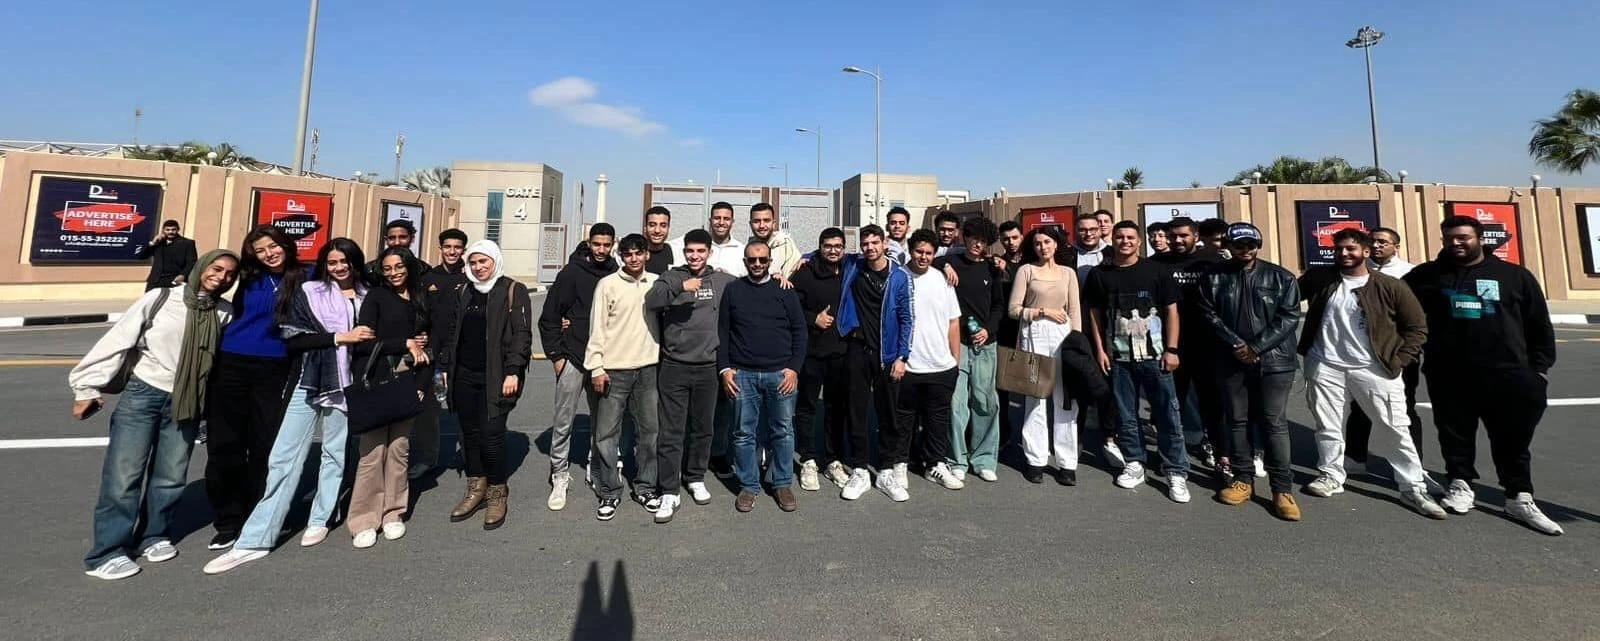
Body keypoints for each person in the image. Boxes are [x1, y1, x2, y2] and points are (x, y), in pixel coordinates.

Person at [202, 239, 371, 574]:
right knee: (283, 457)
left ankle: (322, 517)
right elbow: (294, 337)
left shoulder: (369, 295)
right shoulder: (310, 291)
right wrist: (339, 337)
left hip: (347, 384)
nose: (339, 268)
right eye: (333, 262)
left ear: (356, 263)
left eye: (345, 262)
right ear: (324, 264)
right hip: (309, 379)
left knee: (335, 453)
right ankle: (256, 538)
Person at [72, 249, 239, 580]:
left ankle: (153, 535)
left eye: (230, 274)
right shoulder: (161, 299)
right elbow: (118, 339)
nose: (222, 277)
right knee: (124, 477)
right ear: (202, 267)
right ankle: (107, 552)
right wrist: (86, 387)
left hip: (187, 401)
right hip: (144, 394)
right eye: (217, 268)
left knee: (171, 476)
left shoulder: (224, 312)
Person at [1405, 216, 1562, 535]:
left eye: (1463, 237)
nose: (1456, 243)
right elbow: (1394, 303)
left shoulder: (1514, 276)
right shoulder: (1428, 275)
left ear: (1480, 238)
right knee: (1454, 434)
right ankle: (1460, 484)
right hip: (1449, 373)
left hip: (1509, 374)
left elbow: (1538, 324)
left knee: (1512, 440)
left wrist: (1539, 370)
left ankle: (1519, 496)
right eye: (1449, 238)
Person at [1294, 229, 1446, 520]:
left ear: (1365, 252)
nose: (1344, 253)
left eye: (1351, 249)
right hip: (1325, 364)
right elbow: (1285, 298)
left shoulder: (1390, 286)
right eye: (1339, 249)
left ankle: (1412, 486)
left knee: (1394, 427)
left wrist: (1400, 360)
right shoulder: (1320, 278)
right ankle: (1331, 474)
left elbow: (1416, 328)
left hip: (1374, 368)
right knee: (1327, 425)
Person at [205, 225, 306, 551]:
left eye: (273, 246)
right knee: (226, 444)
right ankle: (228, 520)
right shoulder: (247, 276)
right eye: (260, 250)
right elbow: (210, 282)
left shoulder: (306, 276)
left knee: (266, 443)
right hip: (231, 362)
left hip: (275, 368)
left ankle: (261, 513)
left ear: (285, 244)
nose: (268, 254)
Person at [1199, 223, 1304, 521]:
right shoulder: (1213, 277)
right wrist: (1236, 344)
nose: (1245, 249)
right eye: (1238, 244)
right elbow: (1208, 314)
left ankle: (1282, 489)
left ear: (1258, 245)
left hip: (1275, 362)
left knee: (1274, 423)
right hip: (1229, 359)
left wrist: (1256, 347)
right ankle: (1242, 479)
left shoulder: (1281, 277)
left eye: (1250, 244)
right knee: (1237, 421)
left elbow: (1289, 316)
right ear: (1229, 246)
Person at [1083, 222, 1191, 503]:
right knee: (1126, 414)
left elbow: (1171, 311)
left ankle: (1175, 470)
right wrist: (1100, 350)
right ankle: (1134, 462)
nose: (1125, 241)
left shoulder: (1156, 271)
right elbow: (1095, 315)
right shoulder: (1100, 274)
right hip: (1119, 358)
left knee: (1168, 414)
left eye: (1130, 237)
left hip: (1156, 356)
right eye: (1119, 237)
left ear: (1139, 241)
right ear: (1112, 239)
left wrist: (1172, 349)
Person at [439, 240, 533, 529]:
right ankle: (476, 486)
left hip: (498, 375)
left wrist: (513, 371)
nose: (479, 267)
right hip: (464, 374)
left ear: (495, 261)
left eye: (484, 262)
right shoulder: (464, 291)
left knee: (491, 433)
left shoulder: (512, 290)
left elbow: (522, 334)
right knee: (469, 433)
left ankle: (496, 490)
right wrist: (446, 366)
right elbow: (453, 331)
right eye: (474, 262)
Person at [645, 229, 736, 521]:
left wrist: (782, 277)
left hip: (708, 367)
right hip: (674, 366)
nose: (695, 256)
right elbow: (652, 300)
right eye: (690, 251)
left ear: (709, 252)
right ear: (684, 252)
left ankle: (695, 476)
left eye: (700, 251)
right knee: (671, 431)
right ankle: (669, 489)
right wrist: (681, 286)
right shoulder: (672, 277)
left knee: (703, 428)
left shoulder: (721, 280)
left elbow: (748, 291)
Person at [346, 247, 431, 546]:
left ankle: (393, 512)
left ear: (409, 266)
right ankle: (364, 519)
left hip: (408, 380)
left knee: (399, 450)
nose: (394, 273)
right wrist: (404, 342)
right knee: (372, 453)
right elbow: (363, 343)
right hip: (378, 381)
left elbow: (427, 348)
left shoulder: (421, 298)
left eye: (399, 266)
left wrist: (422, 384)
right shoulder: (377, 297)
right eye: (387, 268)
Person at [718, 239, 808, 512]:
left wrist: (793, 369)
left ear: (770, 261)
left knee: (783, 431)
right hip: (743, 375)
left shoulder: (785, 291)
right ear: (745, 262)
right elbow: (723, 331)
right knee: (743, 433)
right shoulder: (734, 290)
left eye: (763, 260)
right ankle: (749, 485)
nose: (757, 264)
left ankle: (782, 483)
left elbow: (800, 331)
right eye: (752, 260)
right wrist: (725, 369)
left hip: (780, 375)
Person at [537, 224, 618, 510]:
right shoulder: (571, 273)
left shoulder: (616, 273)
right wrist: (557, 356)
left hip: (604, 361)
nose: (601, 250)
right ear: (589, 243)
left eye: (606, 245)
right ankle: (559, 474)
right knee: (563, 422)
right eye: (597, 244)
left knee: (603, 422)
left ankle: (596, 468)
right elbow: (549, 317)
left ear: (613, 244)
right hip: (572, 357)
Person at [585, 234, 662, 521]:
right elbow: (597, 327)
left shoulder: (656, 283)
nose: (634, 258)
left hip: (648, 368)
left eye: (638, 253)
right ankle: (609, 491)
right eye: (628, 254)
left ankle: (646, 487)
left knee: (650, 433)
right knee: (606, 435)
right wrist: (596, 367)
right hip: (613, 370)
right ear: (621, 256)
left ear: (646, 255)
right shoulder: (607, 284)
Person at [834, 225, 914, 501]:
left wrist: (902, 356)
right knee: (856, 411)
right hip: (857, 348)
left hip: (887, 353)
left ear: (884, 243)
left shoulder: (899, 276)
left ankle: (886, 470)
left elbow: (907, 318)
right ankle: (859, 469)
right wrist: (802, 259)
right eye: (865, 243)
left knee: (888, 413)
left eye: (874, 243)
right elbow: (823, 254)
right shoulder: (854, 266)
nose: (870, 248)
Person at [1007, 226, 1084, 485]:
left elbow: (1075, 311)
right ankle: (1035, 460)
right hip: (1034, 334)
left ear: (1056, 244)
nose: (1043, 247)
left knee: (1066, 400)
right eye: (1038, 243)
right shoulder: (1026, 271)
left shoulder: (1068, 273)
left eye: (1047, 242)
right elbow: (1014, 309)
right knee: (1035, 400)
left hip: (1063, 336)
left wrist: (1077, 343)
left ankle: (1067, 463)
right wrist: (1042, 312)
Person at [1152, 217, 1230, 471]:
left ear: (1196, 236)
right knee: (1170, 403)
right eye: (1173, 236)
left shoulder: (1214, 261)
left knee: (1215, 404)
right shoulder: (1156, 264)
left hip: (1210, 346)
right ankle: (1171, 455)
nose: (1177, 240)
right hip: (1171, 346)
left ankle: (1221, 455)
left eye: (1183, 235)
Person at [1344, 226, 1423, 476]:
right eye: (1373, 242)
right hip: (1362, 353)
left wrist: (1404, 356)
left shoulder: (1410, 273)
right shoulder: (1358, 271)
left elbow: (1416, 320)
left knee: (1403, 409)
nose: (1376, 246)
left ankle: (1414, 465)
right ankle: (1355, 457)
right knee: (1360, 407)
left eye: (1382, 242)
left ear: (1396, 246)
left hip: (1396, 353)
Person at [936, 217, 1007, 483]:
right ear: (964, 237)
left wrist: (988, 329)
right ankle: (957, 459)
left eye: (983, 240)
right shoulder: (950, 262)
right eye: (974, 238)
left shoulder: (992, 268)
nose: (978, 244)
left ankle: (984, 459)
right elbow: (927, 262)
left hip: (985, 344)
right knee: (956, 404)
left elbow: (999, 305)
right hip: (956, 344)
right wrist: (944, 265)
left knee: (985, 402)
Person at [896, 229, 964, 492]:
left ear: (935, 254)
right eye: (918, 251)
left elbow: (953, 321)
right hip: (908, 365)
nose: (923, 257)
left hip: (941, 365)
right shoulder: (898, 277)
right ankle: (900, 463)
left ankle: (935, 464)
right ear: (910, 250)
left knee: (938, 420)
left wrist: (955, 360)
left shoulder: (942, 280)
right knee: (904, 419)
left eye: (928, 253)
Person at [789, 227, 851, 492]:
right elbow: (791, 306)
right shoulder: (806, 272)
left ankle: (833, 460)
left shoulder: (849, 270)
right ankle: (808, 459)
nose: (833, 251)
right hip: (812, 352)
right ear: (820, 247)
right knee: (807, 407)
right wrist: (813, 318)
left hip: (841, 352)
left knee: (836, 408)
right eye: (828, 246)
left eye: (838, 246)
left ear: (844, 248)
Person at [413, 228, 470, 479]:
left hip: (462, 355)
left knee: (466, 409)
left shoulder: (471, 277)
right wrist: (418, 336)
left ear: (463, 250)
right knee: (430, 411)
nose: (452, 252)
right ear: (441, 249)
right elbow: (418, 314)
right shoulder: (428, 278)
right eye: (448, 247)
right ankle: (428, 458)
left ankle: (470, 457)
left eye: (457, 247)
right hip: (433, 357)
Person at [135, 220, 197, 291]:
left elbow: (191, 262)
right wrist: (152, 243)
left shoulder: (187, 243)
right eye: (167, 230)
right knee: (150, 298)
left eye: (173, 229)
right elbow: (142, 257)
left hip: (175, 280)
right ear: (163, 230)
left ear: (178, 229)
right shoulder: (158, 243)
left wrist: (183, 275)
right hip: (155, 280)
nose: (170, 232)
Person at [365, 220, 427, 284]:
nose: (397, 243)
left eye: (402, 237)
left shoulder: (424, 269)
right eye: (392, 238)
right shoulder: (370, 269)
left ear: (412, 238)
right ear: (386, 240)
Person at [749, 203, 801, 277]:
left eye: (766, 220)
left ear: (773, 223)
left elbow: (791, 277)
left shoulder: (785, 245)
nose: (761, 226)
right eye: (756, 221)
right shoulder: (747, 247)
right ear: (750, 224)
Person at [704, 202, 747, 277]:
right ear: (710, 221)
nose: (721, 223)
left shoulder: (743, 251)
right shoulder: (698, 249)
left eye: (726, 219)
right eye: (717, 218)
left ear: (732, 222)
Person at [643, 206, 676, 274]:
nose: (657, 230)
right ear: (645, 228)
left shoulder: (677, 254)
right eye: (652, 225)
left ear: (668, 228)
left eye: (663, 225)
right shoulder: (632, 255)